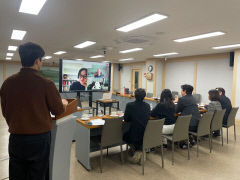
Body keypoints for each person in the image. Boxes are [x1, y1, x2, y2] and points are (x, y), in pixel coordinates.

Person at [0, 42, 68, 180]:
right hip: (39, 139)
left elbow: (5, 111)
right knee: (38, 174)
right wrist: (64, 103)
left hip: (16, 139)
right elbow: (58, 111)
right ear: (37, 60)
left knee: (17, 174)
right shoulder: (46, 84)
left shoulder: (7, 83)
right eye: (41, 60)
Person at [123, 88, 150, 164]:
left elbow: (126, 119)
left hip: (134, 135)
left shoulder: (129, 105)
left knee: (124, 135)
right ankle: (140, 150)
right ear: (144, 96)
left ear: (134, 96)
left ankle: (137, 151)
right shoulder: (147, 106)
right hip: (145, 134)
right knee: (138, 136)